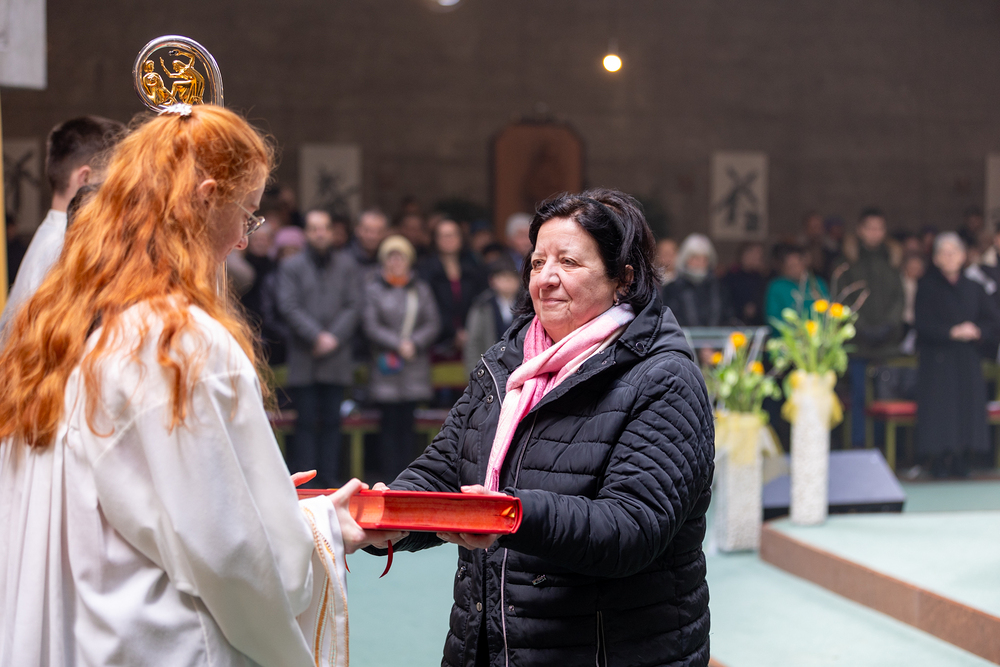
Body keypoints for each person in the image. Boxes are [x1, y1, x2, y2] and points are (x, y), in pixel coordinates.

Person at [0, 105, 403, 667]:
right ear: (208, 198)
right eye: (248, 215)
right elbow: (231, 557)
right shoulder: (179, 342)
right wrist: (314, 530)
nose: (242, 241)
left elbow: (140, 506)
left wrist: (267, 501)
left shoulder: (61, 327)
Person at [373, 189, 714, 667]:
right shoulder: (506, 365)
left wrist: (509, 516)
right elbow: (447, 469)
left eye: (568, 262)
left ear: (623, 278)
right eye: (537, 263)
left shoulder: (663, 378)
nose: (546, 278)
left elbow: (632, 527)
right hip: (490, 644)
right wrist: (385, 516)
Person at [0, 115, 124, 341]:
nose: (122, 192)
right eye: (115, 180)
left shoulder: (51, 235)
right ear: (85, 179)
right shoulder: (64, 245)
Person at [276, 208, 361, 487]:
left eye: (324, 227)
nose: (320, 233)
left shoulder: (347, 265)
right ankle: (306, 485)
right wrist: (316, 337)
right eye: (314, 228)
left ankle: (330, 482)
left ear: (332, 231)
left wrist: (333, 338)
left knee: (333, 424)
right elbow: (288, 306)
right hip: (305, 357)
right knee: (306, 423)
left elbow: (354, 305)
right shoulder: (291, 266)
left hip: (336, 357)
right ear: (306, 233)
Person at [915, 233, 1000, 477]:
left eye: (954, 252)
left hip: (967, 357)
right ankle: (939, 458)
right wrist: (950, 332)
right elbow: (922, 324)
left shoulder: (974, 288)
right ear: (936, 258)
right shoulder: (927, 287)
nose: (950, 257)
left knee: (966, 407)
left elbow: (993, 322)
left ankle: (963, 457)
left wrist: (976, 331)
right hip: (937, 358)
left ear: (963, 256)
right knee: (940, 408)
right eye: (944, 253)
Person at [363, 235, 440, 480]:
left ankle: (408, 479)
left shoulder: (421, 289)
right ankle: (387, 478)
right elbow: (370, 325)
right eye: (391, 257)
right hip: (386, 368)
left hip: (413, 367)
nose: (396, 262)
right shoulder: (373, 289)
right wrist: (397, 343)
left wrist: (414, 342)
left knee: (408, 427)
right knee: (387, 427)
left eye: (401, 257)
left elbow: (432, 323)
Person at [837, 208, 905, 448]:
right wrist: (861, 327)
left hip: (887, 343)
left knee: (886, 395)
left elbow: (899, 298)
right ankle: (859, 445)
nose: (874, 233)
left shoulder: (892, 261)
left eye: (879, 228)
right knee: (859, 396)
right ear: (860, 230)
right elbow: (843, 300)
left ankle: (884, 447)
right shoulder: (847, 262)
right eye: (870, 228)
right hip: (858, 343)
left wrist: (889, 325)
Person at [418, 218, 488, 357]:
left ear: (461, 238)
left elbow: (480, 302)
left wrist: (469, 331)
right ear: (435, 240)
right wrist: (454, 333)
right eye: (443, 235)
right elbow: (428, 306)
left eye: (452, 235)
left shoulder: (473, 268)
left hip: (471, 339)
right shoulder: (426, 269)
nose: (448, 239)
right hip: (437, 342)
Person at [661, 233, 736, 327]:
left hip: (715, 336)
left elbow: (728, 317)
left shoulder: (719, 288)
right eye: (695, 258)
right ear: (685, 259)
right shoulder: (672, 289)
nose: (700, 263)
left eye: (704, 259)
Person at [463, 256, 521, 374]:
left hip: (520, 368)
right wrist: (475, 373)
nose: (507, 282)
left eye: (511, 277)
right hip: (489, 369)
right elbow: (473, 343)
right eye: (503, 277)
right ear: (492, 281)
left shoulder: (528, 305)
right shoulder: (482, 306)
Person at [764, 243, 829, 330]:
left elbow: (828, 311)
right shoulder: (776, 286)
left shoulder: (817, 283)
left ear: (804, 263)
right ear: (783, 267)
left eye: (797, 264)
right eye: (790, 266)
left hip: (816, 334)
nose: (795, 269)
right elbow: (772, 317)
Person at [722, 241, 768, 326]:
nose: (758, 257)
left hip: (757, 326)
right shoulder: (731, 276)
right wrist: (742, 309)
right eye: (755, 253)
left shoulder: (762, 278)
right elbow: (726, 303)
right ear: (744, 255)